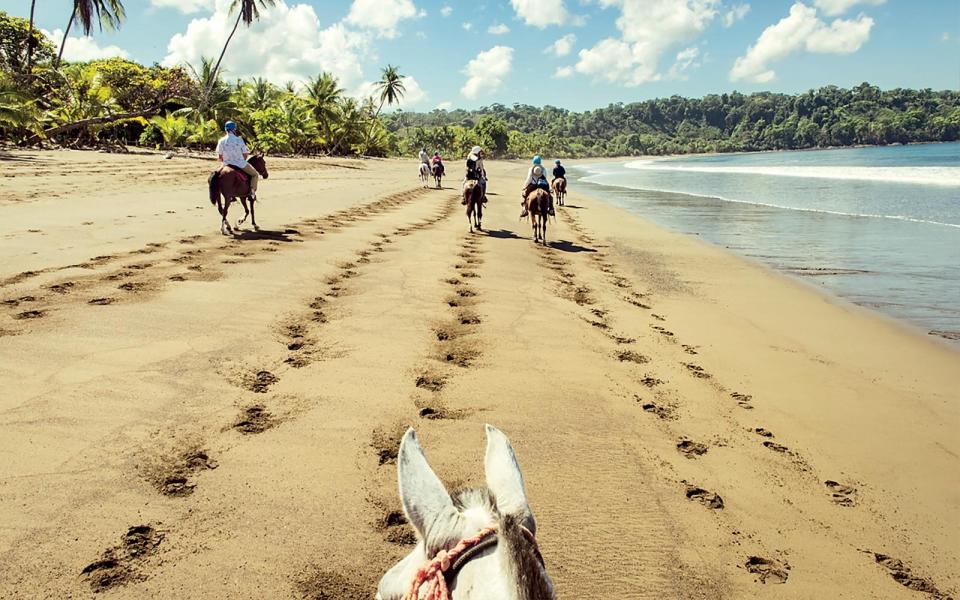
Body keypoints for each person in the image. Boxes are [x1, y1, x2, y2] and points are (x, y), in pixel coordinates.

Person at [216, 121, 259, 199]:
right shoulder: (239, 140)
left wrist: (224, 162)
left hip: (226, 164)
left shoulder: (221, 141)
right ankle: (252, 193)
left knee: (216, 175)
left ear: (226, 130)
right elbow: (245, 154)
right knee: (255, 174)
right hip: (240, 163)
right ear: (234, 129)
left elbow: (220, 156)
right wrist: (243, 160)